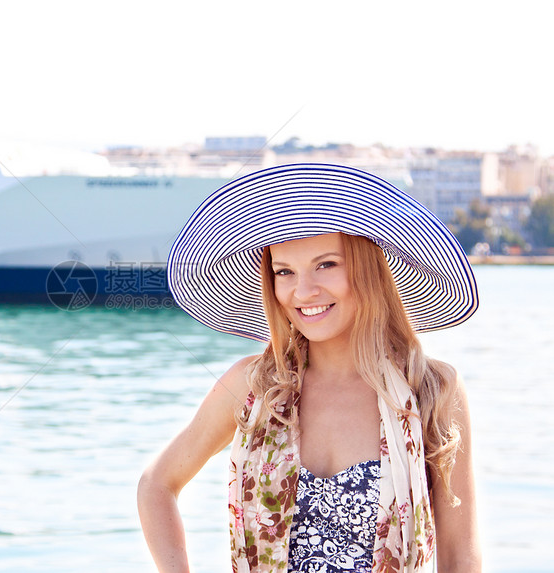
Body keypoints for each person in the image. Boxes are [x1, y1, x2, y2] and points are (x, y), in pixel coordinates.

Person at [137, 164, 482, 572]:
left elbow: (460, 557)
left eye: (326, 264)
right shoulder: (253, 387)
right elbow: (157, 485)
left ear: (366, 267)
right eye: (284, 272)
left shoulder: (431, 389)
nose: (303, 291)